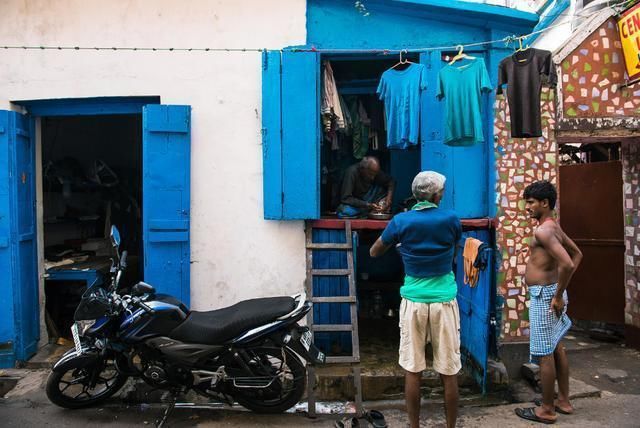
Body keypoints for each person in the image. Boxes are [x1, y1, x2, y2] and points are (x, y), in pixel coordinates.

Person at [370, 171, 461, 428]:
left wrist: (402, 249)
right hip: (444, 301)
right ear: (436, 195)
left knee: (413, 368)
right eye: (442, 190)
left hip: (414, 302)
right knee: (449, 370)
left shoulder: (401, 221)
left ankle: (414, 426)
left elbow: (374, 251)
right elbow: (453, 249)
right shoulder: (451, 218)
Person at [515, 180, 582, 424]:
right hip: (551, 293)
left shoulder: (543, 231)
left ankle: (546, 409)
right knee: (556, 348)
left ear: (545, 203)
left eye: (531, 202)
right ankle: (562, 401)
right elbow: (577, 254)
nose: (527, 207)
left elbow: (568, 263)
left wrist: (556, 295)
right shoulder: (553, 226)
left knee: (545, 354)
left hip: (546, 296)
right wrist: (560, 291)